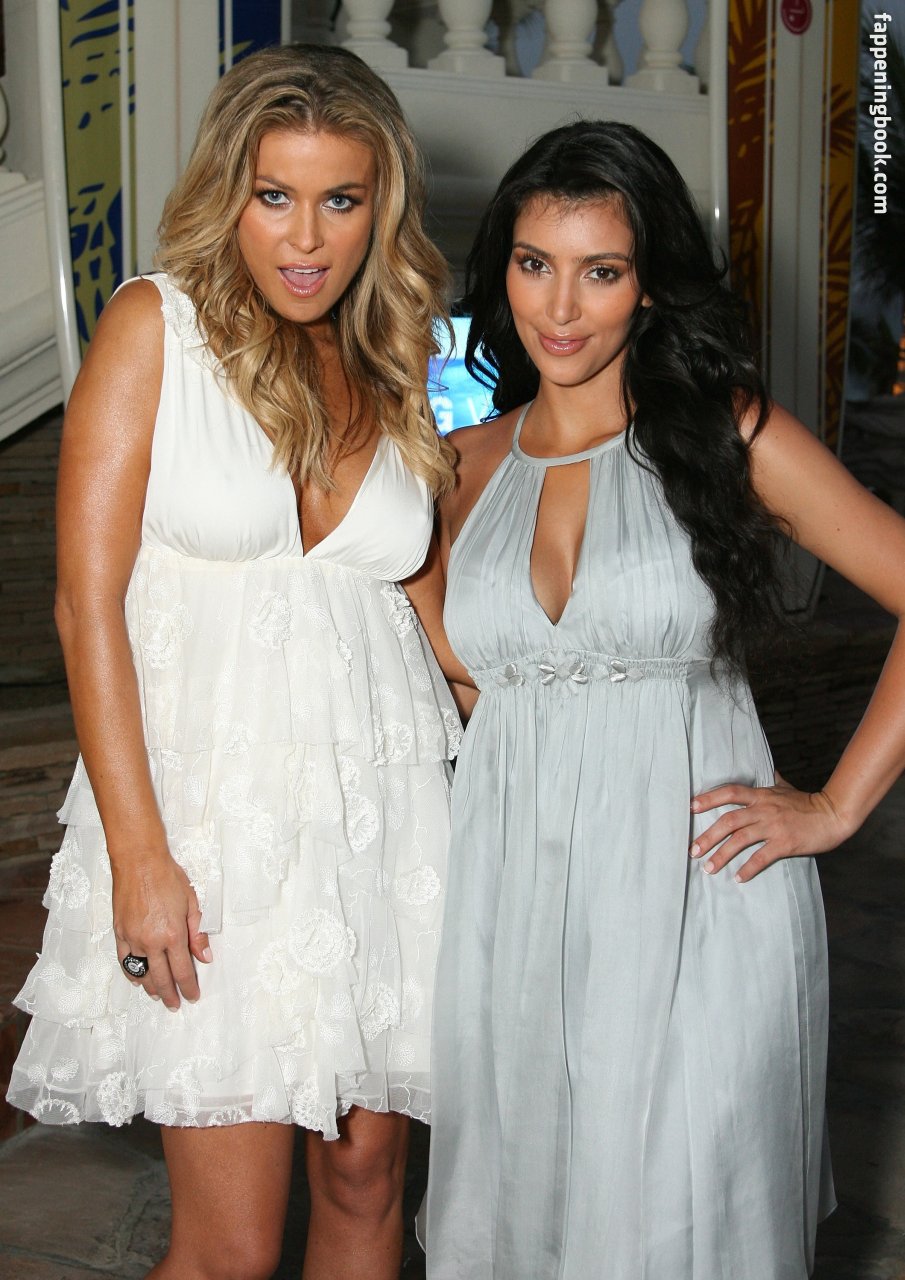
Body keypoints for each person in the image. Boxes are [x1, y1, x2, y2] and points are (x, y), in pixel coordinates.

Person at [421, 121, 905, 1279]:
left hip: (699, 900)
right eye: (533, 263)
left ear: (648, 286)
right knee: (534, 1220)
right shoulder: (457, 467)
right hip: (512, 911)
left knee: (682, 1225)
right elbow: (454, 682)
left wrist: (834, 804)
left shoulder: (728, 435)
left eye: (600, 270)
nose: (559, 307)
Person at [8, 44, 461, 1280]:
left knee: (367, 1189)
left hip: (382, 834)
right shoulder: (155, 327)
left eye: (339, 199)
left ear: (380, 205)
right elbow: (85, 607)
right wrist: (141, 855)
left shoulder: (395, 359)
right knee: (230, 1249)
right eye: (275, 195)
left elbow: (431, 624)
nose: (305, 237)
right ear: (230, 192)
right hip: (211, 840)